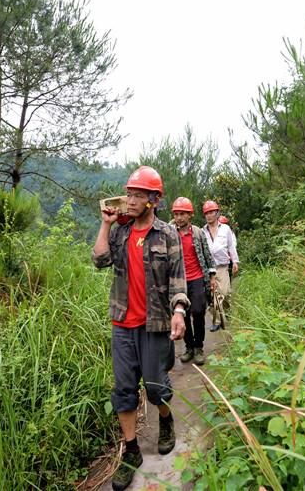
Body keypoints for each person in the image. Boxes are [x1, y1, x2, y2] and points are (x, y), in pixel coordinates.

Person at [92, 165, 190, 491]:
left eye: (138, 195)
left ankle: (165, 419)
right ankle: (131, 450)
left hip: (155, 324)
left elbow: (178, 280)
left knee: (156, 387)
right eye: (129, 194)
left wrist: (179, 311)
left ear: (153, 200)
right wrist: (105, 225)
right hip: (122, 323)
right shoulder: (119, 231)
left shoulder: (167, 234)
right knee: (123, 391)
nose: (131, 200)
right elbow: (99, 260)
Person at [170, 196, 217, 366]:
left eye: (183, 214)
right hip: (178, 282)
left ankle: (199, 347)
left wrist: (212, 277)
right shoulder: (169, 232)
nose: (179, 217)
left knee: (198, 312)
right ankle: (189, 347)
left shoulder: (198, 233)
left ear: (190, 215)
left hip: (197, 278)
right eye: (176, 214)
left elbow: (207, 256)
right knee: (184, 313)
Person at [202, 200, 239, 332]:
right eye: (206, 213)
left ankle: (226, 312)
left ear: (217, 213)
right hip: (208, 269)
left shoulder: (226, 229)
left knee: (225, 293)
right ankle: (217, 321)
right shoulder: (202, 232)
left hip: (223, 267)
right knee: (213, 296)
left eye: (211, 212)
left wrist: (235, 261)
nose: (209, 215)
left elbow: (231, 246)